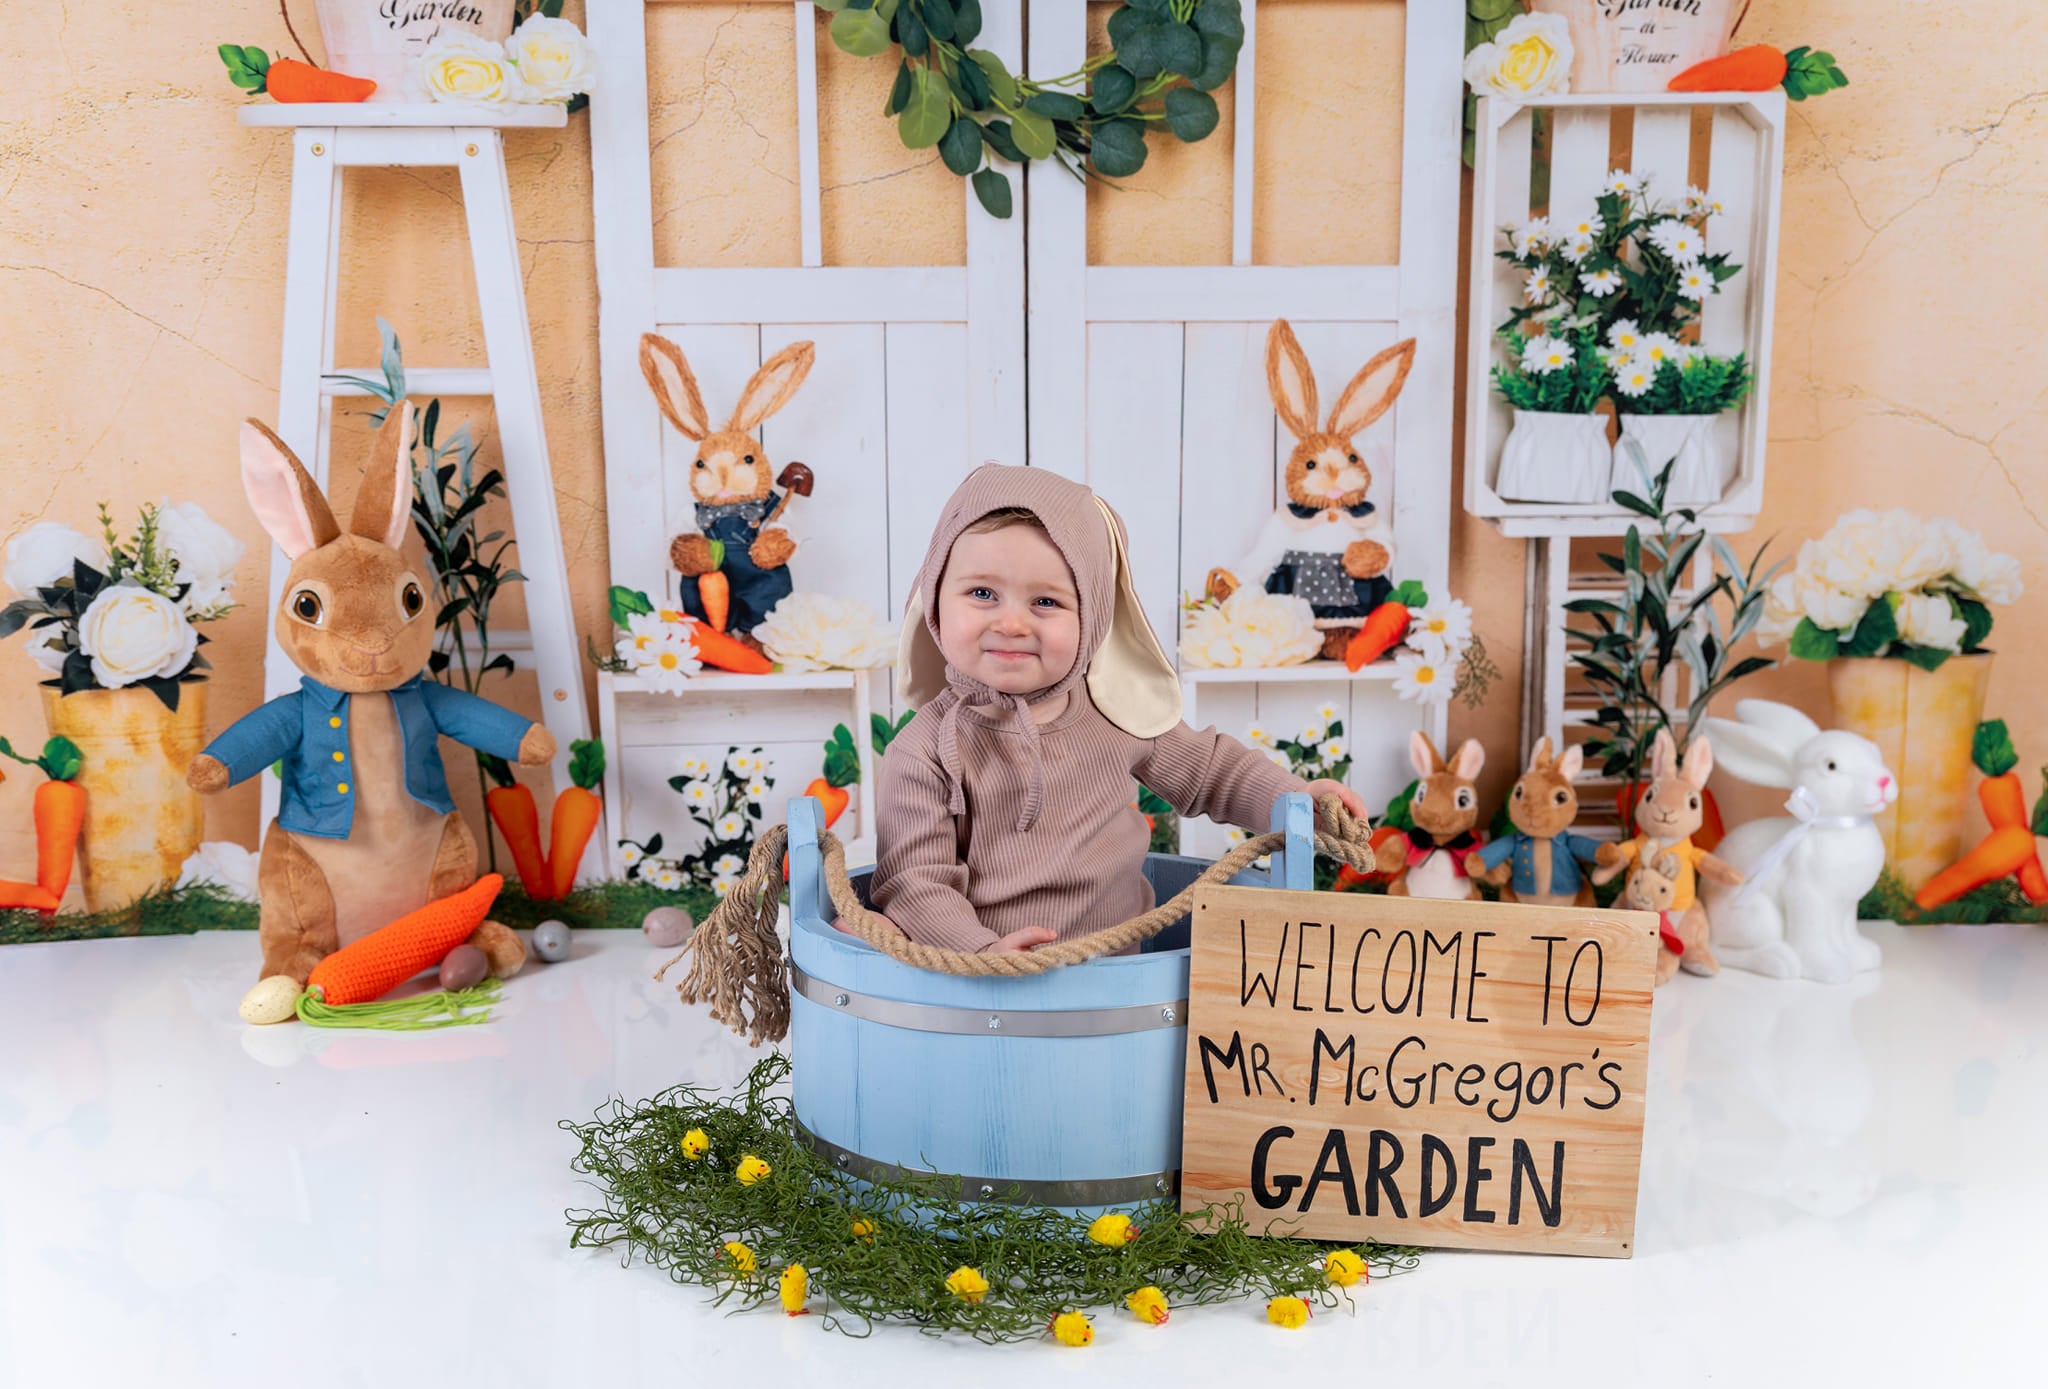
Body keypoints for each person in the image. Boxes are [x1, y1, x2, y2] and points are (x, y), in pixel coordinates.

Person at [863, 464, 1367, 955]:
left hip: (1122, 974)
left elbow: (1214, 772)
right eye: (981, 593)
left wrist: (1299, 799)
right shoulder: (926, 748)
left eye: (1045, 602)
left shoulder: (1116, 711)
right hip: (988, 988)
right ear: (934, 600)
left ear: (1095, 614)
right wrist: (980, 948)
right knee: (873, 925)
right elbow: (914, 879)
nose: (1012, 623)